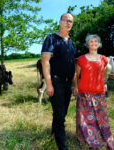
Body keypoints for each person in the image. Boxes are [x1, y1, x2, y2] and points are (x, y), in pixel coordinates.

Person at [73, 34, 114, 150]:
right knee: (85, 118)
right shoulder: (81, 59)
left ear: (99, 44)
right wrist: (76, 87)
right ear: (87, 44)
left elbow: (104, 73)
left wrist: (102, 83)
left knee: (100, 118)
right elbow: (76, 74)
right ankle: (88, 139)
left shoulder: (103, 59)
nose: (93, 43)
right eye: (91, 42)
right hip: (84, 93)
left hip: (99, 93)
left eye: (96, 42)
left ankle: (100, 138)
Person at [41, 13, 76, 150]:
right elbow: (45, 61)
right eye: (66, 20)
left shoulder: (71, 43)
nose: (68, 23)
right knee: (60, 114)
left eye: (71, 21)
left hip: (68, 83)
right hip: (56, 81)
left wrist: (75, 84)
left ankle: (54, 132)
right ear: (60, 22)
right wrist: (49, 84)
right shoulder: (51, 38)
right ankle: (62, 146)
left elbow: (73, 64)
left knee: (62, 112)